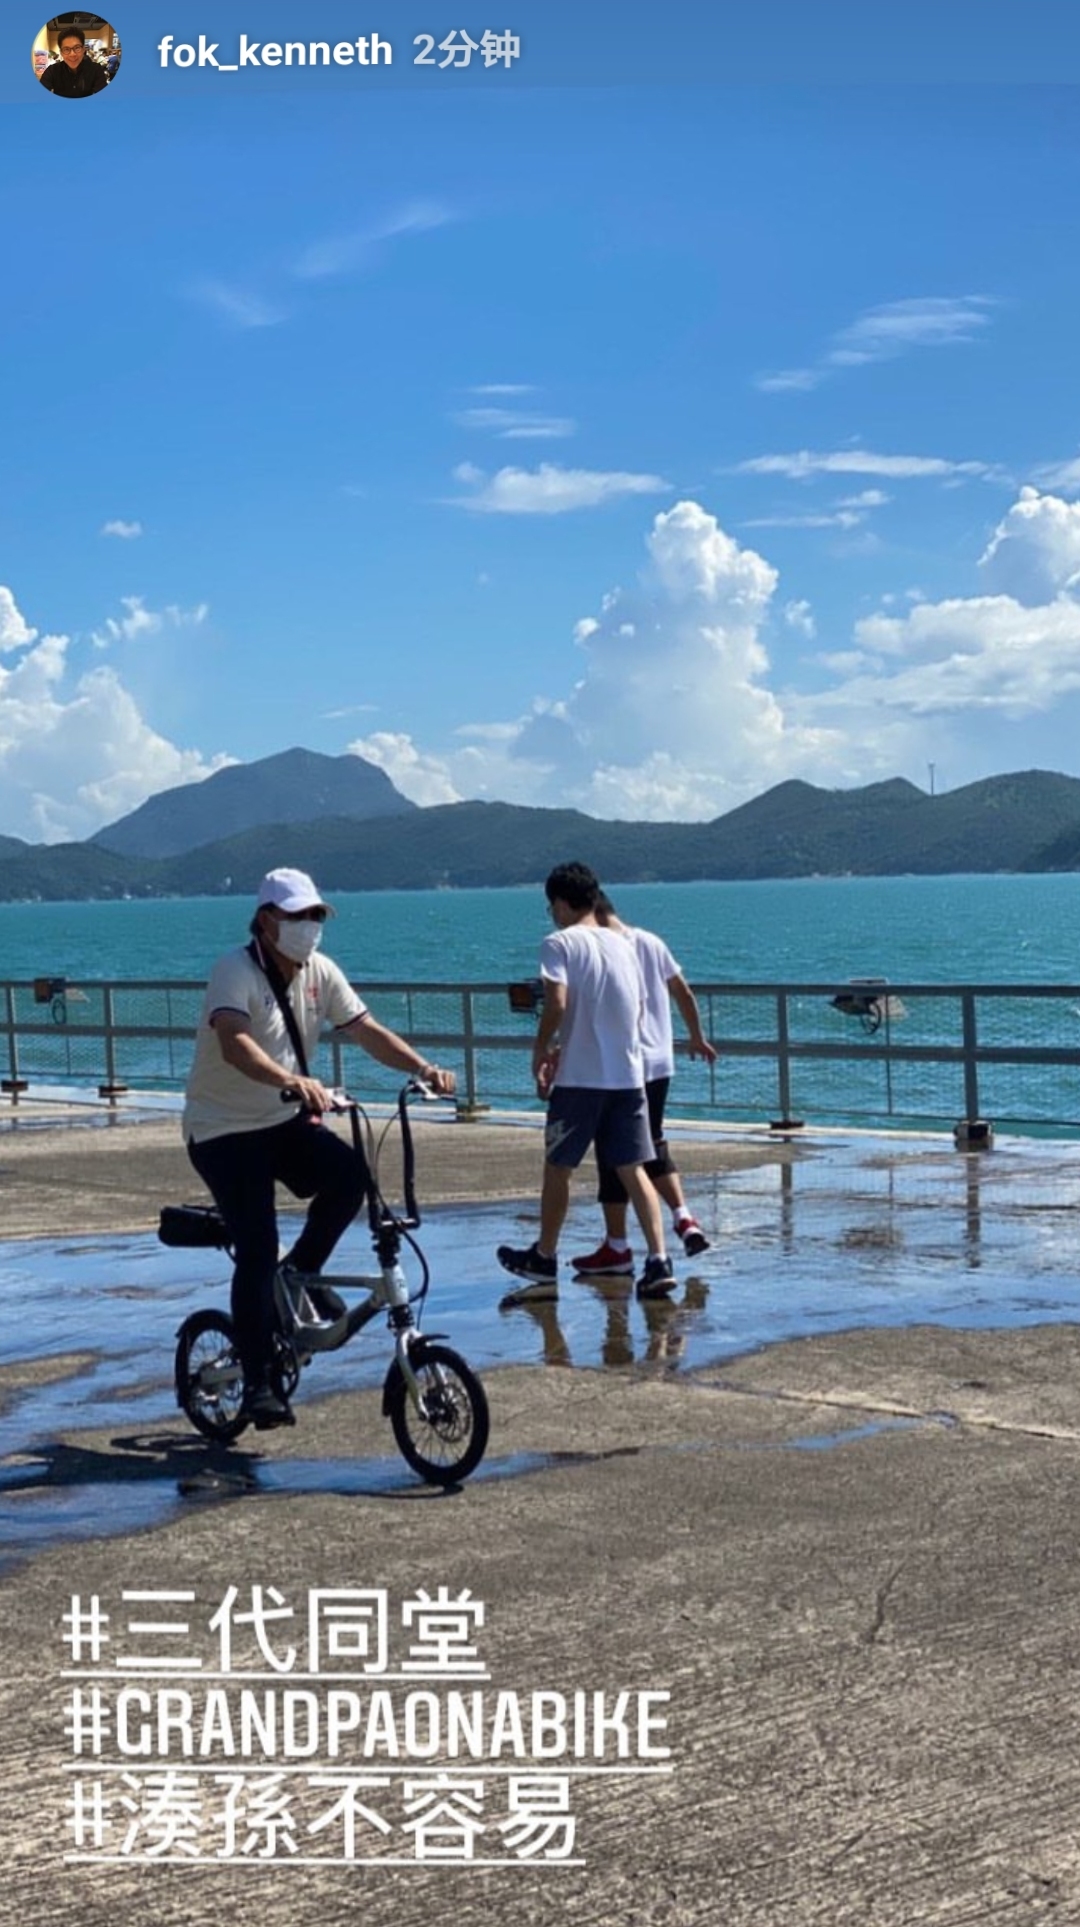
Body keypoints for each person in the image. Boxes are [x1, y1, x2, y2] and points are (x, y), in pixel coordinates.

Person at [182, 868, 455, 1428]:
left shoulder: (320, 972)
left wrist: (423, 1067)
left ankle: (300, 1271)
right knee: (256, 1243)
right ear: (266, 921)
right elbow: (234, 1044)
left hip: (280, 1120)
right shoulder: (234, 971)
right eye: (297, 917)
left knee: (351, 1176)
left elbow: (366, 1029)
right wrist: (290, 1079)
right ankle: (259, 1381)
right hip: (222, 1130)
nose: (309, 927)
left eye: (316, 916)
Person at [496, 861, 676, 1306]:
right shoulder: (625, 946)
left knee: (558, 1167)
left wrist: (543, 1049)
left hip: (580, 1081)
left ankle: (544, 1255)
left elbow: (556, 1002)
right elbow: (632, 1009)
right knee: (633, 1169)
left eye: (551, 906)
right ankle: (658, 1260)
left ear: (559, 902)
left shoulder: (558, 943)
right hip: (628, 1077)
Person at [572, 893, 719, 1277]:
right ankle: (683, 1218)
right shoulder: (652, 941)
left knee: (617, 1155)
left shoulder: (608, 949)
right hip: (661, 1062)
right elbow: (682, 991)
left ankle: (617, 1245)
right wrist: (696, 1036)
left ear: (596, 915)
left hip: (625, 1065)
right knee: (651, 1142)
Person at [39, 27, 109, 97]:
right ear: (61, 53)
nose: (72, 54)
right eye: (66, 49)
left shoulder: (95, 69)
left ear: (83, 49)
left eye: (77, 48)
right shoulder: (52, 71)